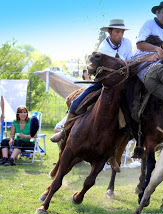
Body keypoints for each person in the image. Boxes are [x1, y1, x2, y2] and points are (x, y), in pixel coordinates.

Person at [50, 19, 133, 171]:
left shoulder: (127, 43)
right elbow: (113, 65)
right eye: (117, 32)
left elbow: (129, 61)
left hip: (121, 84)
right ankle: (64, 131)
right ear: (110, 32)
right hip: (102, 83)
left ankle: (116, 154)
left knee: (130, 116)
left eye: (121, 32)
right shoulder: (103, 46)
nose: (120, 35)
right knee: (76, 102)